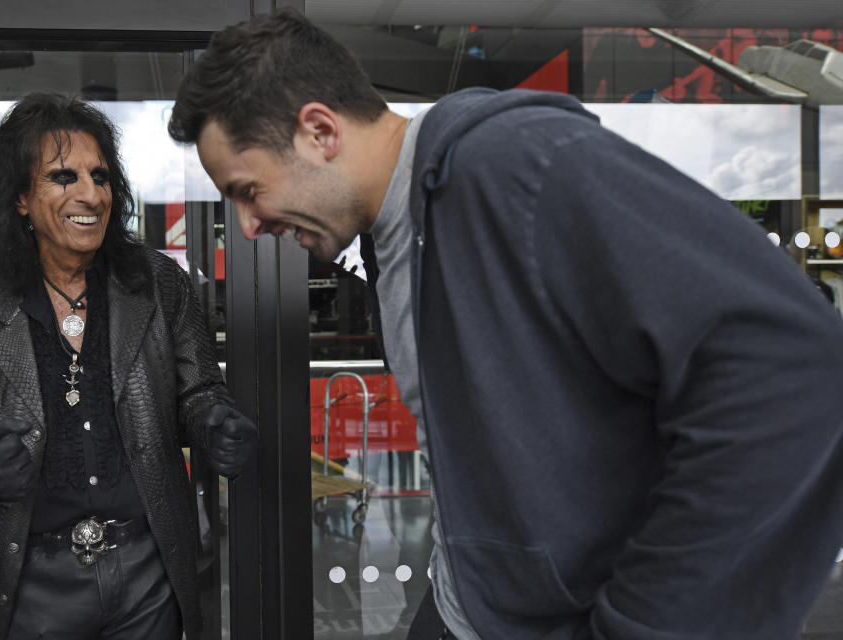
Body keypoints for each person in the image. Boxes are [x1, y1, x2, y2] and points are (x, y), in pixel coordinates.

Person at [167, 9, 843, 640]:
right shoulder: (394, 234)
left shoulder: (518, 164)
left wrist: (647, 622)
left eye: (247, 191)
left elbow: (793, 375)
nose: (249, 227)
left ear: (319, 132)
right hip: (467, 606)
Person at [0, 93, 257, 640]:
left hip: (150, 570)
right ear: (21, 197)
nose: (91, 194)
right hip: (35, 583)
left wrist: (215, 421)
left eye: (100, 176)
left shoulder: (159, 284)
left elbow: (199, 391)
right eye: (63, 177)